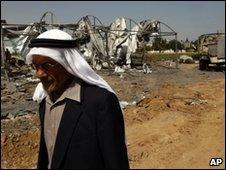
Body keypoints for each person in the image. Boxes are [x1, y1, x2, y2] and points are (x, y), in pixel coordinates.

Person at [26, 29, 129, 169]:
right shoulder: (45, 101)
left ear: (67, 63)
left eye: (47, 65)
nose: (39, 74)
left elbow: (115, 161)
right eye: (35, 66)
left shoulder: (100, 102)